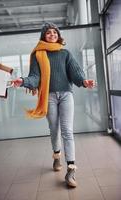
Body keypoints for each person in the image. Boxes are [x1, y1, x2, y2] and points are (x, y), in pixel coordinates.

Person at [12, 22, 95, 188]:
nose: (52, 35)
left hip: (66, 94)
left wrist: (84, 82)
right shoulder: (38, 55)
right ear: (44, 36)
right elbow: (35, 77)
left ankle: (71, 169)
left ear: (58, 35)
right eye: (48, 33)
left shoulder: (65, 53)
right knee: (54, 128)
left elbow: (75, 72)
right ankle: (57, 155)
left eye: (54, 32)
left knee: (67, 131)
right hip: (48, 96)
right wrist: (23, 81)